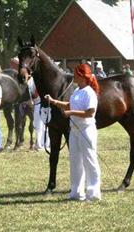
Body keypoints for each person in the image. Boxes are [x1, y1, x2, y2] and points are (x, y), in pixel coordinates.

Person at [45, 63, 101, 201]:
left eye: (76, 74)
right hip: (74, 131)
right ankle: (76, 192)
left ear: (82, 77)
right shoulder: (76, 91)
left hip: (86, 129)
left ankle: (93, 193)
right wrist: (53, 101)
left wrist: (71, 113)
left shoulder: (89, 93)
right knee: (75, 161)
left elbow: (90, 112)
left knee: (90, 160)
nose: (73, 75)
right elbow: (69, 105)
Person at [26, 72, 50, 151]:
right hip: (41, 104)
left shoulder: (36, 81)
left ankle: (40, 145)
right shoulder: (34, 80)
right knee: (41, 126)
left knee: (40, 126)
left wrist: (30, 97)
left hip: (40, 104)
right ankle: (43, 144)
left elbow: (35, 94)